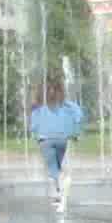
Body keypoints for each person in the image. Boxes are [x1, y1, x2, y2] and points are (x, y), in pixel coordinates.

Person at [29, 73, 84, 203]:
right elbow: (79, 115)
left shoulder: (39, 106)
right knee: (57, 165)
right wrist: (75, 132)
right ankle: (59, 193)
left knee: (52, 167)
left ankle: (62, 183)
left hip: (45, 140)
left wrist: (34, 133)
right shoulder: (66, 105)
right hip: (62, 139)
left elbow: (34, 125)